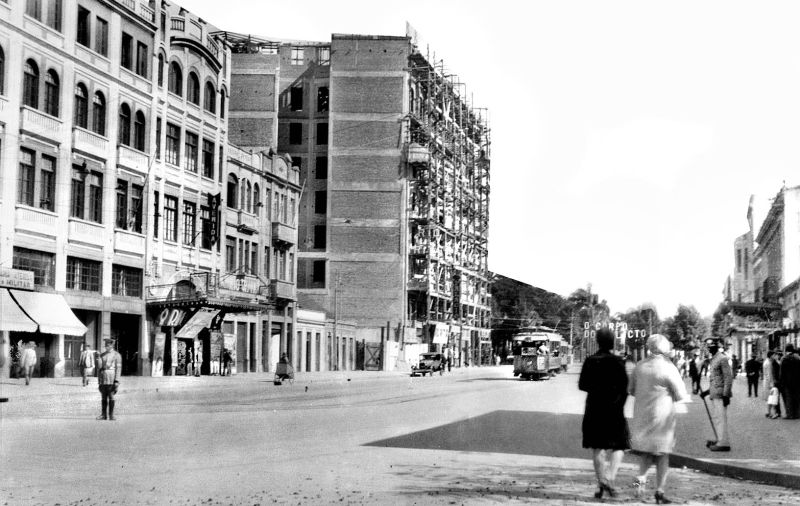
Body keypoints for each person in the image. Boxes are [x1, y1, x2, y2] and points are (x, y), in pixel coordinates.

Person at [628, 334, 689, 504]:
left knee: (645, 457)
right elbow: (680, 395)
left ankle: (638, 483)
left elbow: (631, 389)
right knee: (663, 456)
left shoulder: (639, 366)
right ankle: (660, 491)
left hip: (642, 418)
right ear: (665, 349)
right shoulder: (669, 368)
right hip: (662, 420)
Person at [578, 328, 629, 499]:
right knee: (620, 445)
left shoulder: (590, 361)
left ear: (598, 342)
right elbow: (625, 387)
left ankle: (601, 482)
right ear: (612, 342)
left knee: (597, 447)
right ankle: (609, 478)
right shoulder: (618, 361)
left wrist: (597, 388)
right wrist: (620, 403)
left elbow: (582, 385)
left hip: (594, 408)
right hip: (614, 409)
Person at [702, 338, 733, 451]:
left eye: (711, 346)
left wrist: (726, 395)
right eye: (708, 346)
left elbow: (728, 378)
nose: (709, 348)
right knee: (717, 418)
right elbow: (715, 379)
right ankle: (720, 439)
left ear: (716, 347)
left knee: (721, 419)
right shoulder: (714, 359)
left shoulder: (722, 359)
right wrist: (706, 392)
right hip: (715, 394)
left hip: (721, 395)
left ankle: (724, 443)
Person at [96, 338, 122, 421]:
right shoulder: (102, 355)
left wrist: (117, 380)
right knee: (103, 396)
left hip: (111, 378)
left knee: (111, 396)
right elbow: (99, 368)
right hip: (103, 377)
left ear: (112, 345)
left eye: (108, 345)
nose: (107, 346)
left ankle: (111, 415)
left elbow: (118, 369)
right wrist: (97, 358)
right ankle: (103, 415)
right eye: (106, 345)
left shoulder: (116, 355)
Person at [779, 344, 800, 419]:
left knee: (788, 398)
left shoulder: (784, 359)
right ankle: (797, 414)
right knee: (797, 398)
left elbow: (781, 372)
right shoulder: (798, 358)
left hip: (787, 382)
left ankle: (790, 414)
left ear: (786, 350)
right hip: (797, 382)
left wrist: (781, 382)